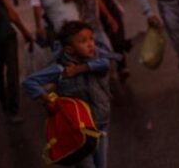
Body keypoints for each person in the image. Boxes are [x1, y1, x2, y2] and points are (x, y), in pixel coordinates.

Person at [22, 21, 114, 168]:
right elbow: (29, 81)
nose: (90, 44)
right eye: (83, 41)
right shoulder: (60, 69)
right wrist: (45, 98)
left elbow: (106, 64)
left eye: (91, 39)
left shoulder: (96, 59)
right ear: (69, 50)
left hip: (101, 123)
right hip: (78, 131)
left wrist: (80, 69)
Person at [94, 0, 131, 81]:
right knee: (108, 42)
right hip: (101, 15)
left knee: (118, 39)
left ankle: (122, 67)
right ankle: (111, 69)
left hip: (114, 9)